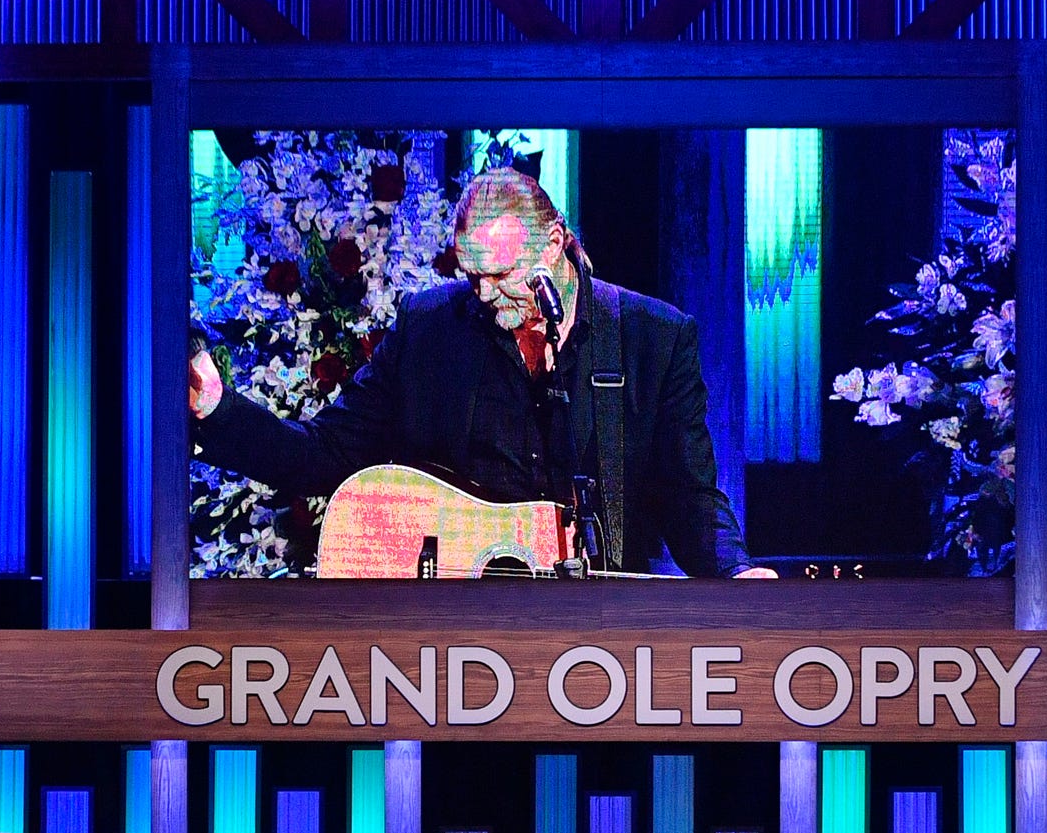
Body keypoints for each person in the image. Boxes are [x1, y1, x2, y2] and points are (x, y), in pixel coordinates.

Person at [190, 168, 772, 580]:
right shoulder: (430, 331)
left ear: (553, 246)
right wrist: (220, 409)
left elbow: (689, 494)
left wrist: (736, 572)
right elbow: (324, 454)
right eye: (473, 277)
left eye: (501, 274)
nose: (486, 295)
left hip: (602, 646)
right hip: (456, 653)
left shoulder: (654, 337)